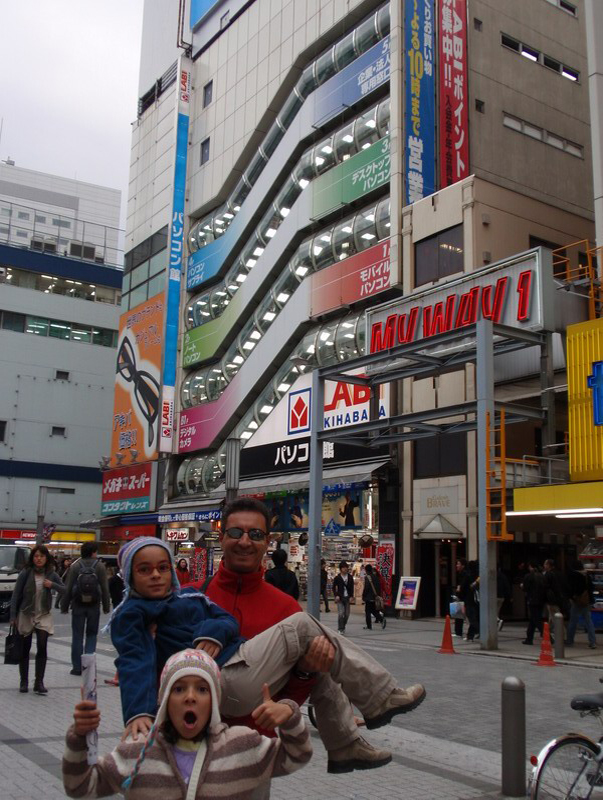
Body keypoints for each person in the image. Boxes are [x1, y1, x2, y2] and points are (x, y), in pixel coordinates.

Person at [109, 535, 426, 773]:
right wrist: (139, 713)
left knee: (322, 661)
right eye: (145, 569)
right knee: (302, 625)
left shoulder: (189, 597)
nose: (156, 575)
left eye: (163, 568)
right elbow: (134, 660)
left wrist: (212, 635)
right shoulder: (133, 613)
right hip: (215, 683)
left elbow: (225, 621)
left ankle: (344, 746)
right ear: (130, 576)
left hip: (241, 677)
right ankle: (381, 697)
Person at [200, 497, 398, 774]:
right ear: (221, 538)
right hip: (191, 745)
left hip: (252, 754)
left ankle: (351, 737)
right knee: (307, 628)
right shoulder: (191, 598)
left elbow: (290, 695)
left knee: (321, 659)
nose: (245, 541)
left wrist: (305, 673)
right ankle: (373, 706)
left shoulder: (285, 607)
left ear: (267, 542)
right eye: (235, 532)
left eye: (255, 534)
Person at [62, 648, 312, 799]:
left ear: (214, 701)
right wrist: (78, 738)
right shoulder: (136, 753)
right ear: (165, 701)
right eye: (179, 688)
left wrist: (289, 715)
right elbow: (80, 787)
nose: (190, 696)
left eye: (202, 689)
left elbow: (297, 756)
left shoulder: (242, 746)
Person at [9, 544, 64, 695]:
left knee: (42, 644)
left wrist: (51, 585)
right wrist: (13, 616)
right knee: (24, 648)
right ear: (32, 558)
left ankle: (39, 681)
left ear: (47, 558)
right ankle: (24, 681)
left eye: (41, 556)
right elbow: (16, 595)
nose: (39, 559)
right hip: (26, 614)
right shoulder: (26, 573)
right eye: (36, 556)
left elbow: (65, 590)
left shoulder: (51, 574)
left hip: (43, 614)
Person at [61, 541, 110, 676]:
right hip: (94, 605)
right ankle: (88, 667)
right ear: (93, 552)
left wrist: (64, 606)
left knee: (77, 636)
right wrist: (106, 606)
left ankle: (76, 667)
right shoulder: (99, 566)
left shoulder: (76, 566)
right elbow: (105, 588)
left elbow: (68, 587)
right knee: (91, 635)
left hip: (78, 605)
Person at [566, 561, 597, 649]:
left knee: (573, 621)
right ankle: (593, 642)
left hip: (577, 601)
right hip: (586, 600)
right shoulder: (586, 575)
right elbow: (591, 587)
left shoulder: (573, 575)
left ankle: (570, 640)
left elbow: (571, 588)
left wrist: (572, 597)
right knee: (589, 621)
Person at [521, 561, 546, 645]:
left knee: (536, 619)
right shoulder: (542, 576)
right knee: (534, 618)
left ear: (531, 567)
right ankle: (529, 638)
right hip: (541, 600)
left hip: (532, 599)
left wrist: (522, 586)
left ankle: (547, 635)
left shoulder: (528, 576)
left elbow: (525, 588)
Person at [542, 558, 569, 631]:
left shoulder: (548, 574)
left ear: (548, 565)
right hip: (560, 599)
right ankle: (547, 633)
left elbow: (545, 587)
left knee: (555, 618)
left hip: (552, 600)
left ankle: (562, 634)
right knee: (552, 617)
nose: (544, 565)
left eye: (545, 564)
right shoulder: (560, 573)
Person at [333, 560, 354, 635]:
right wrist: (336, 595)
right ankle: (340, 628)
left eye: (346, 567)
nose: (346, 569)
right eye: (344, 568)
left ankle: (343, 625)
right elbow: (334, 587)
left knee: (347, 614)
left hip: (347, 597)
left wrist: (351, 596)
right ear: (341, 569)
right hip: (340, 598)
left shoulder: (350, 577)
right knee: (341, 613)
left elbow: (351, 587)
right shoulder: (337, 578)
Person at [363, 564, 386, 630]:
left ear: (366, 570)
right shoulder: (376, 577)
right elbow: (379, 587)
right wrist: (377, 595)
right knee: (373, 610)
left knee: (367, 611)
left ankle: (369, 626)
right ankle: (381, 619)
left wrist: (364, 596)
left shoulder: (367, 577)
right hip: (375, 596)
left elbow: (366, 588)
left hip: (368, 597)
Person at [453, 558, 468, 638]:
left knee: (463, 615)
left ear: (463, 566)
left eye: (458, 564)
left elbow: (462, 587)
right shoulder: (461, 574)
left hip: (464, 598)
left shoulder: (465, 574)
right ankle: (458, 632)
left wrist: (459, 589)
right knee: (459, 615)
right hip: (461, 597)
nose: (457, 565)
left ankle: (459, 632)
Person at [496, 566, 512, 632]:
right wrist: (509, 596)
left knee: (491, 612)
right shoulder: (503, 576)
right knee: (497, 611)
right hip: (501, 597)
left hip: (494, 596)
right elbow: (507, 586)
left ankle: (499, 621)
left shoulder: (492, 575)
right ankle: (497, 625)